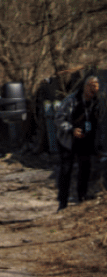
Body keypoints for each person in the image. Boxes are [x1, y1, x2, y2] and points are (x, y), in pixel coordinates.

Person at [54, 75, 101, 211]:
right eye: (91, 87)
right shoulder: (71, 100)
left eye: (96, 87)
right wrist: (71, 129)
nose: (93, 90)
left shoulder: (96, 102)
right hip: (67, 141)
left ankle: (82, 198)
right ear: (85, 86)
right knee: (66, 171)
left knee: (85, 169)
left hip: (85, 141)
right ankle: (62, 203)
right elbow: (58, 119)